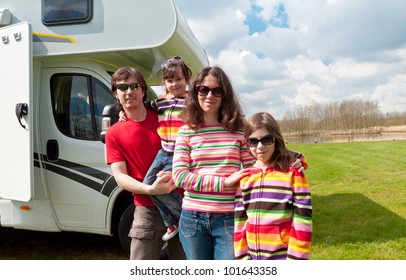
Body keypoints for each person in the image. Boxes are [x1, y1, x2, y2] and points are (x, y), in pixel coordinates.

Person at [172, 66, 306, 260]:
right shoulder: (186, 131)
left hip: (228, 219)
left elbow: (260, 158)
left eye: (217, 90)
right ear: (195, 92)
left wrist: (295, 158)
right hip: (193, 219)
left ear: (225, 94)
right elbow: (180, 176)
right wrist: (223, 183)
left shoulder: (237, 129)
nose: (210, 95)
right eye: (204, 90)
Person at [104, 66, 185, 260]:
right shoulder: (113, 133)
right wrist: (150, 190)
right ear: (116, 94)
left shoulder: (165, 115)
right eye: (123, 87)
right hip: (146, 207)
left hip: (183, 204)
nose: (129, 91)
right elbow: (120, 176)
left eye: (134, 86)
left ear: (143, 90)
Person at [119, 56, 192, 241]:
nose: (174, 84)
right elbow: (139, 107)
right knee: (150, 184)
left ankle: (185, 217)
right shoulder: (161, 101)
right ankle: (173, 222)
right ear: (164, 83)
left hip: (180, 152)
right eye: (170, 80)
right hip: (163, 151)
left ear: (187, 80)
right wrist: (122, 112)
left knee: (164, 186)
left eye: (179, 79)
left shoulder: (192, 102)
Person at [234, 112, 312, 260]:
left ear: (276, 139)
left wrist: (297, 259)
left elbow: (303, 220)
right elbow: (240, 221)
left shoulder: (293, 173)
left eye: (266, 139)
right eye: (253, 141)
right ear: (247, 142)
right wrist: (242, 257)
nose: (260, 146)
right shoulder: (245, 177)